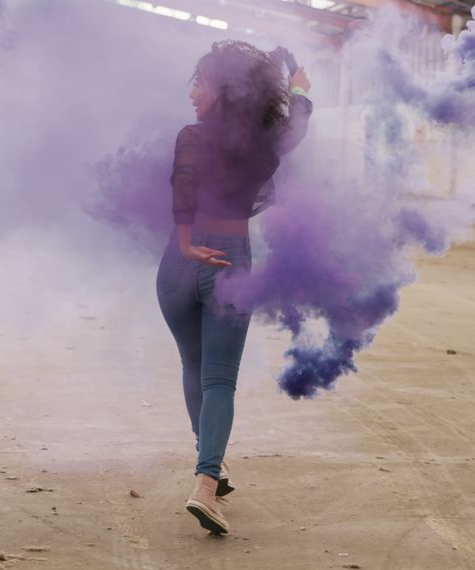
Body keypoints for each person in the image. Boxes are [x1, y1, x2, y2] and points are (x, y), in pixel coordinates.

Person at [156, 40, 312, 535]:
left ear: (223, 89)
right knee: (219, 380)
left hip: (178, 266)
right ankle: (206, 483)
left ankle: (215, 465)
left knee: (193, 365)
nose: (192, 93)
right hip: (229, 260)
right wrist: (295, 85)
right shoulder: (266, 146)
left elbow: (182, 184)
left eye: (199, 82)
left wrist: (185, 242)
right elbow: (298, 121)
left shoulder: (190, 137)